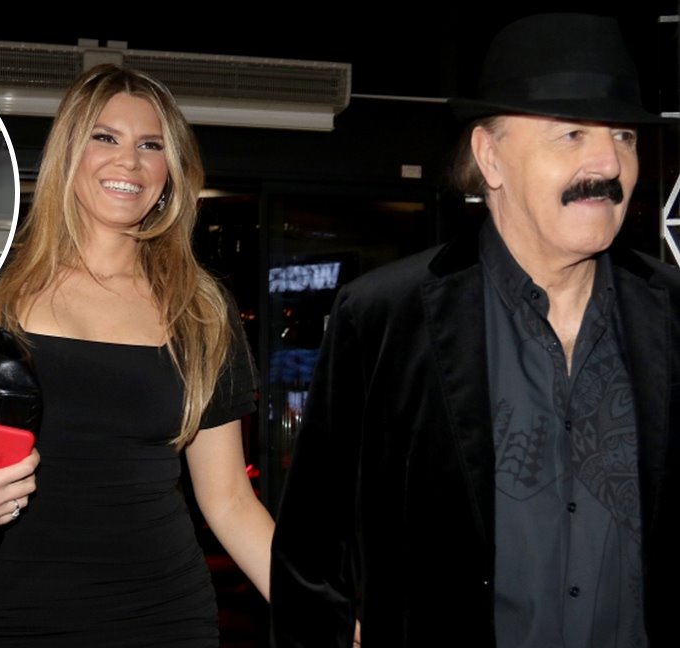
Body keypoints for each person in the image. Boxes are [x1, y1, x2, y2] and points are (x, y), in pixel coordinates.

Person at [271, 13, 679, 648]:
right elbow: (311, 559)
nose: (609, 162)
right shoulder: (385, 318)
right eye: (572, 133)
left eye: (623, 136)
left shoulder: (671, 313)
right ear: (490, 157)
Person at [0, 64, 274, 647]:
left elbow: (231, 500)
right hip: (8, 622)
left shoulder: (201, 310)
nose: (129, 161)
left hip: (165, 619)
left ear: (171, 171)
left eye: (151, 145)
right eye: (105, 137)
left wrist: (324, 612)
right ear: (68, 152)